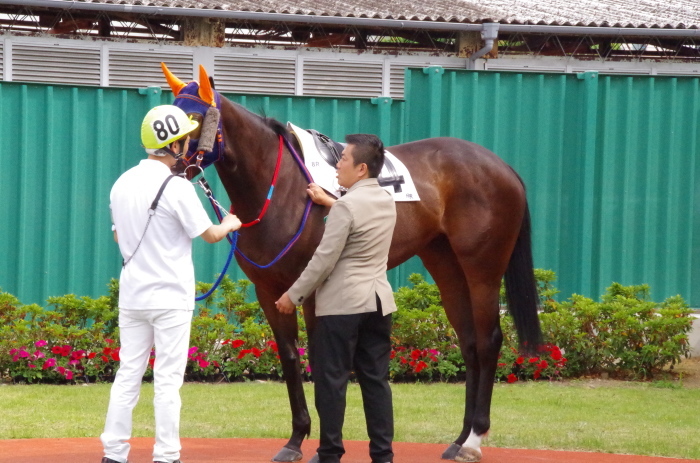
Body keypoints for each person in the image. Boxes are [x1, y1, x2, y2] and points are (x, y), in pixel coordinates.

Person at [101, 105, 241, 463]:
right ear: (174, 145)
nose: (188, 145)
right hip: (171, 298)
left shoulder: (121, 184)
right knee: (167, 382)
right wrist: (231, 223)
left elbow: (120, 239)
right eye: (185, 139)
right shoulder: (177, 188)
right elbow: (209, 235)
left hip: (133, 296)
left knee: (127, 374)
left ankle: (113, 453)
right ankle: (166, 455)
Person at [276, 134, 397, 463]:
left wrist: (293, 295)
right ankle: (382, 456)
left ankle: (330, 453)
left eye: (342, 159)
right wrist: (333, 203)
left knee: (331, 382)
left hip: (343, 305)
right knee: (376, 382)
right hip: (379, 303)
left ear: (360, 169)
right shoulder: (386, 200)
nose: (337, 164)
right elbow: (360, 218)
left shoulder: (345, 206)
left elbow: (324, 259)